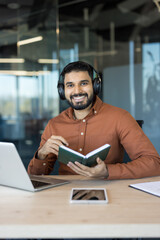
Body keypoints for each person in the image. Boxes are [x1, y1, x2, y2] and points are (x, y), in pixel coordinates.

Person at [28, 61, 160, 179]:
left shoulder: (120, 118)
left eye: (83, 83)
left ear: (96, 86)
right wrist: (42, 154)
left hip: (110, 192)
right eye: (70, 85)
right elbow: (35, 177)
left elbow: (154, 163)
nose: (77, 91)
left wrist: (108, 171)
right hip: (65, 194)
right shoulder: (54, 124)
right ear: (62, 91)